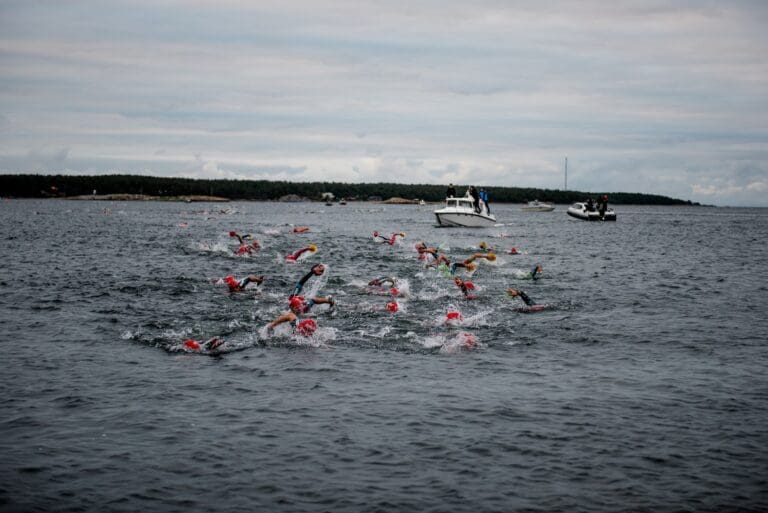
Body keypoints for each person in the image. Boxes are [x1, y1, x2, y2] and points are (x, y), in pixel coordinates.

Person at [267, 294, 335, 333]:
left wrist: (269, 328)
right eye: (298, 308)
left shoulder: (291, 314)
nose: (299, 309)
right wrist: (328, 301)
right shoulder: (303, 309)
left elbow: (314, 300)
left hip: (302, 329)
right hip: (306, 327)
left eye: (299, 307)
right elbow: (314, 300)